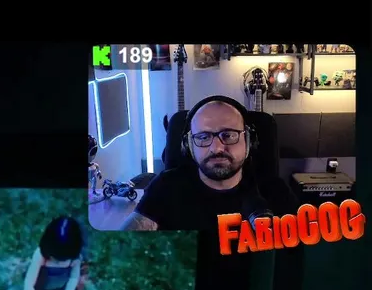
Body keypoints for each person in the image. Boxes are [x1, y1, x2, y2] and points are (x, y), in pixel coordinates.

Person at [119, 95, 296, 231]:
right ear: (188, 146)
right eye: (203, 137)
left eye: (229, 135)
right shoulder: (166, 187)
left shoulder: (274, 191)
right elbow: (123, 249)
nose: (217, 148)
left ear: (250, 141)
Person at [8, 216, 84, 290]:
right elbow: (29, 284)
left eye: (63, 260)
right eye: (55, 259)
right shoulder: (40, 255)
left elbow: (73, 278)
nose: (58, 263)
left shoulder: (75, 259)